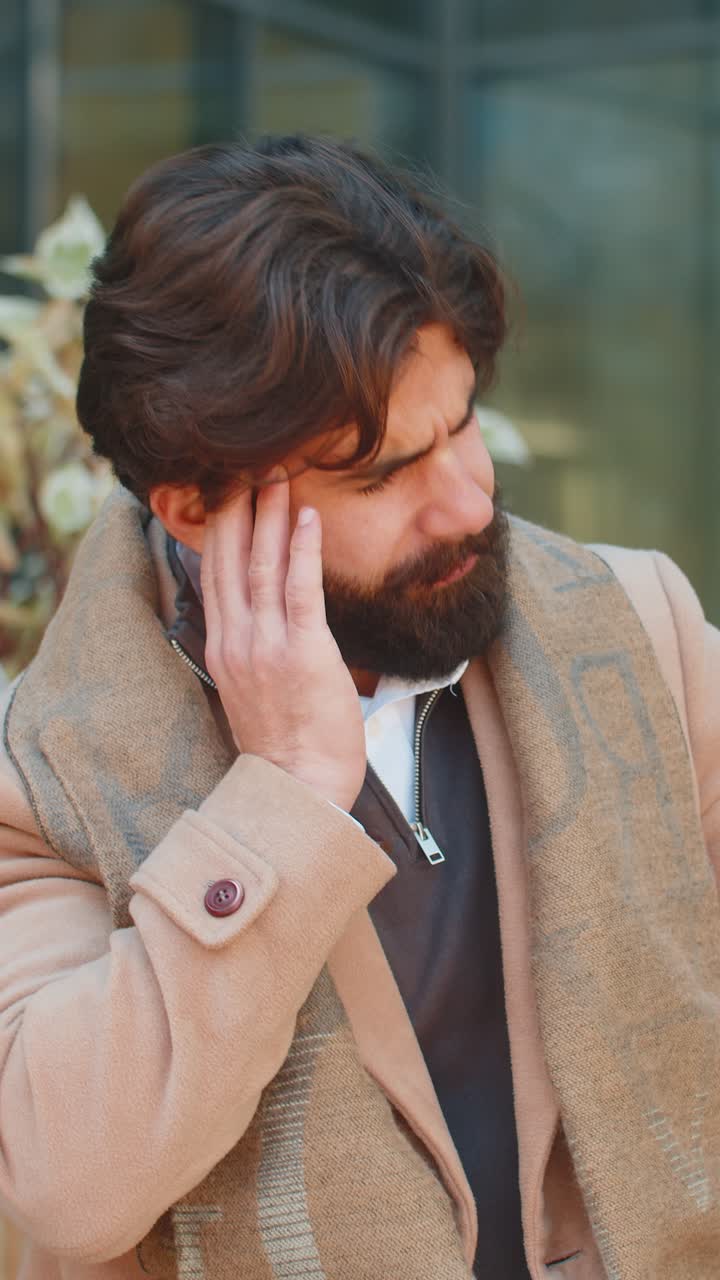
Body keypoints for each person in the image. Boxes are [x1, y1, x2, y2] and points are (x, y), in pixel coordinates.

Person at [0, 135, 718, 1280]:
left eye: (462, 422)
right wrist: (282, 799)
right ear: (195, 509)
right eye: (383, 474)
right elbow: (67, 1183)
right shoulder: (43, 779)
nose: (469, 501)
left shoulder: (643, 631)